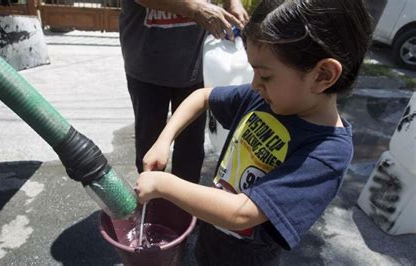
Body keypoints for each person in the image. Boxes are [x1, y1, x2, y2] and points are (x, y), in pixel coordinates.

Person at [134, 0, 373, 265]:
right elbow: (202, 97)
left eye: (266, 75)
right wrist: (163, 140)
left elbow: (242, 213)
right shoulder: (263, 97)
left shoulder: (327, 152)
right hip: (212, 232)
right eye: (253, 71)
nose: (254, 83)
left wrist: (163, 184)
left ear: (322, 75)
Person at [119, 0, 249, 184]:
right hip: (146, 65)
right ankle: (151, 203)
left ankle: (183, 208)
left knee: (191, 149)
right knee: (150, 142)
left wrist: (233, 3)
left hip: (196, 64)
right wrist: (195, 9)